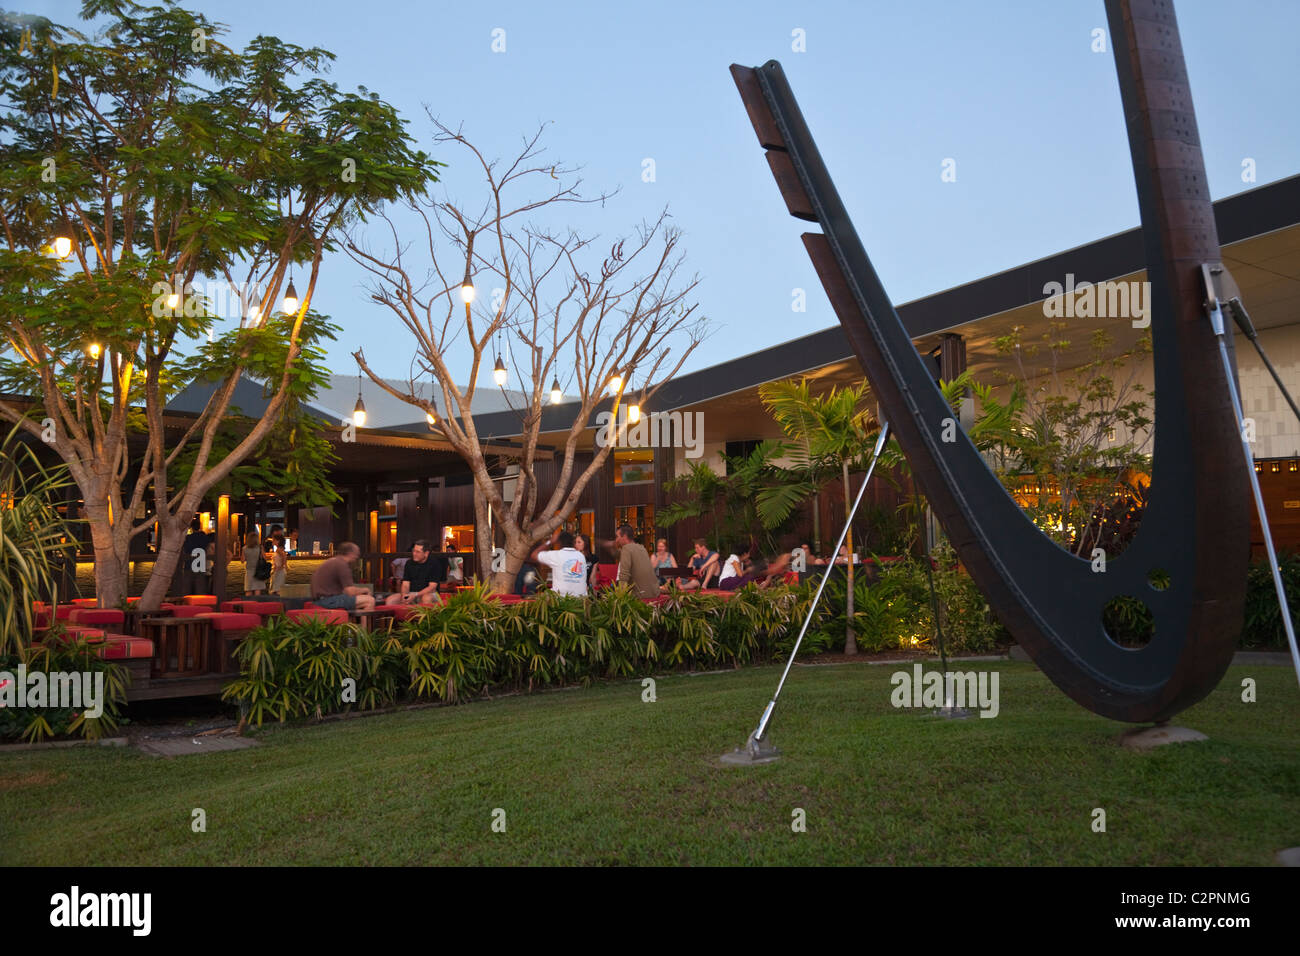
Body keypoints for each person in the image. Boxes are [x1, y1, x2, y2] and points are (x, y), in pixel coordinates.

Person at [310, 541, 375, 611]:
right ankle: (364, 622)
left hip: (320, 600)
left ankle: (353, 621)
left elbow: (345, 592)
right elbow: (350, 592)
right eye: (356, 554)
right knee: (370, 600)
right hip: (328, 601)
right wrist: (365, 590)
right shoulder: (342, 564)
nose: (357, 557)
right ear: (350, 553)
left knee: (361, 601)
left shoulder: (332, 561)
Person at [384, 539, 443, 606]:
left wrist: (415, 595)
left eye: (418, 552)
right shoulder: (409, 563)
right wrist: (404, 595)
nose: (414, 554)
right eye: (414, 551)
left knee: (426, 598)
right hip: (411, 593)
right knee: (390, 600)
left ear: (426, 553)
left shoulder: (434, 564)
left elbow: (432, 587)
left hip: (429, 593)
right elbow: (405, 584)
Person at [535, 530, 589, 598]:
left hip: (561, 601)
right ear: (573, 543)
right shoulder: (581, 556)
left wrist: (550, 541)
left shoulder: (556, 555)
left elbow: (534, 555)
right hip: (581, 600)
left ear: (559, 543)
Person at [614, 524, 660, 599]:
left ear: (624, 536)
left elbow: (624, 575)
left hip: (640, 597)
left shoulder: (626, 548)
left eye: (617, 537)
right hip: (654, 593)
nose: (616, 540)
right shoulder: (642, 548)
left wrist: (620, 598)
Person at [180, 517, 214, 595]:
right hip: (201, 565)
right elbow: (208, 549)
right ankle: (199, 605)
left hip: (189, 564)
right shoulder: (205, 538)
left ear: (191, 527)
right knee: (200, 590)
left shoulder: (188, 538)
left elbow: (184, 549)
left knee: (186, 589)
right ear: (200, 526)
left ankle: (186, 605)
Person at [243, 531, 267, 596]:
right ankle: (256, 604)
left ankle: (247, 605)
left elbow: (242, 560)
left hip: (249, 571)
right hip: (258, 571)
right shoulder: (260, 548)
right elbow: (265, 558)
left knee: (248, 590)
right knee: (257, 590)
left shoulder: (244, 548)